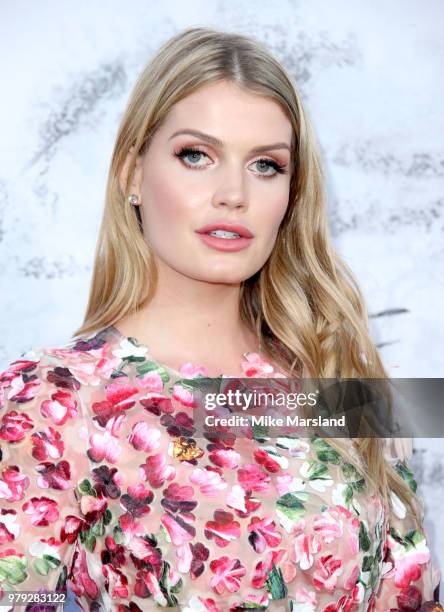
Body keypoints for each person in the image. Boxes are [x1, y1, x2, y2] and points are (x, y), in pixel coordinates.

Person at [0, 27, 442, 612]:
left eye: (265, 165)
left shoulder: (337, 384)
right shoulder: (51, 401)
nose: (232, 193)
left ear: (291, 195)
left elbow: (410, 598)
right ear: (133, 174)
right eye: (196, 155)